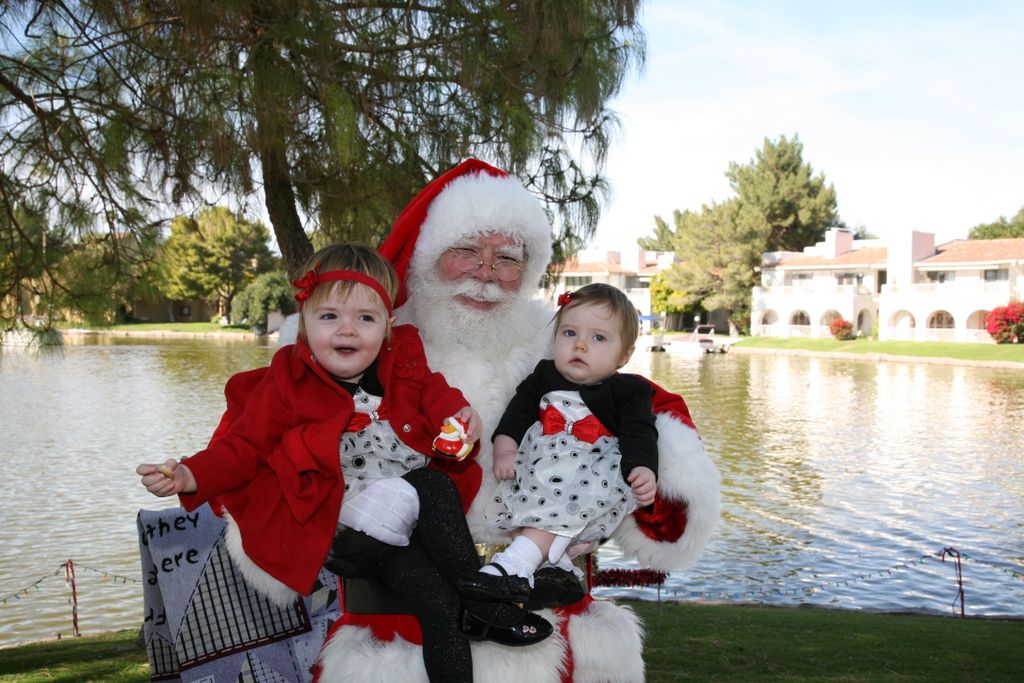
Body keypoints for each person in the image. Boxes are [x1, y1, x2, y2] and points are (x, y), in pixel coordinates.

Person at [313, 161, 721, 683]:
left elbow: (650, 430)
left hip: (549, 630)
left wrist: (653, 476)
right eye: (465, 251)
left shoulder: (558, 345)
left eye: (506, 258)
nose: (485, 272)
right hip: (396, 637)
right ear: (425, 257)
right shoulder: (363, 345)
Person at [137, 244, 553, 683]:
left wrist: (459, 416)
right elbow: (243, 446)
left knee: (439, 606)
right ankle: (487, 602)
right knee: (433, 487)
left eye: (365, 318)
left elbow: (436, 394)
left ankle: (473, 615)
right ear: (305, 323)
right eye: (330, 316)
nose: (347, 331)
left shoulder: (404, 360)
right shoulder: (288, 380)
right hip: (349, 529)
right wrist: (189, 474)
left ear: (388, 327)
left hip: (405, 530)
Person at [475, 283, 658, 605]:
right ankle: (558, 566)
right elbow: (515, 415)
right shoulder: (542, 376)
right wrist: (505, 447)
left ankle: (516, 564)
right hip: (541, 471)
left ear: (624, 355)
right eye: (569, 333)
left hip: (592, 477)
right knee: (537, 514)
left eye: (598, 338)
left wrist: (643, 468)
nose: (581, 345)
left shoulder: (628, 392)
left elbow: (640, 433)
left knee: (557, 507)